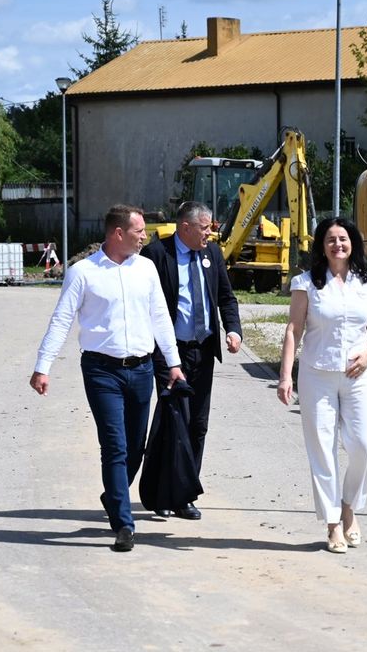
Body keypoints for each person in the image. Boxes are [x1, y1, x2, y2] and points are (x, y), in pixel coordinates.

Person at [30, 204, 185, 553]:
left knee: (135, 447)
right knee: (114, 446)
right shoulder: (83, 273)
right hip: (102, 371)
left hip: (143, 369)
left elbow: (160, 316)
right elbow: (62, 319)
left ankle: (112, 494)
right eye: (138, 231)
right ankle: (123, 523)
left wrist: (173, 363)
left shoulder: (146, 269)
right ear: (118, 233)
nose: (145, 236)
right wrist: (44, 366)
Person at [277, 216, 367, 554]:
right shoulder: (306, 283)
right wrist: (285, 376)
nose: (337, 245)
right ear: (321, 247)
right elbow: (294, 329)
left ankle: (350, 503)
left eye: (343, 239)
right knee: (322, 449)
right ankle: (333, 523)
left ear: (353, 243)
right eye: (330, 240)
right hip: (316, 374)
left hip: (358, 374)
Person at [141, 200, 242, 520]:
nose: (210, 234)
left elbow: (225, 296)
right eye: (205, 228)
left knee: (197, 425)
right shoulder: (158, 255)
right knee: (175, 422)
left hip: (203, 352)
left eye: (212, 228)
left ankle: (184, 494)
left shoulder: (212, 255)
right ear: (185, 227)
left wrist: (233, 329)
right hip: (170, 354)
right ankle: (161, 493)